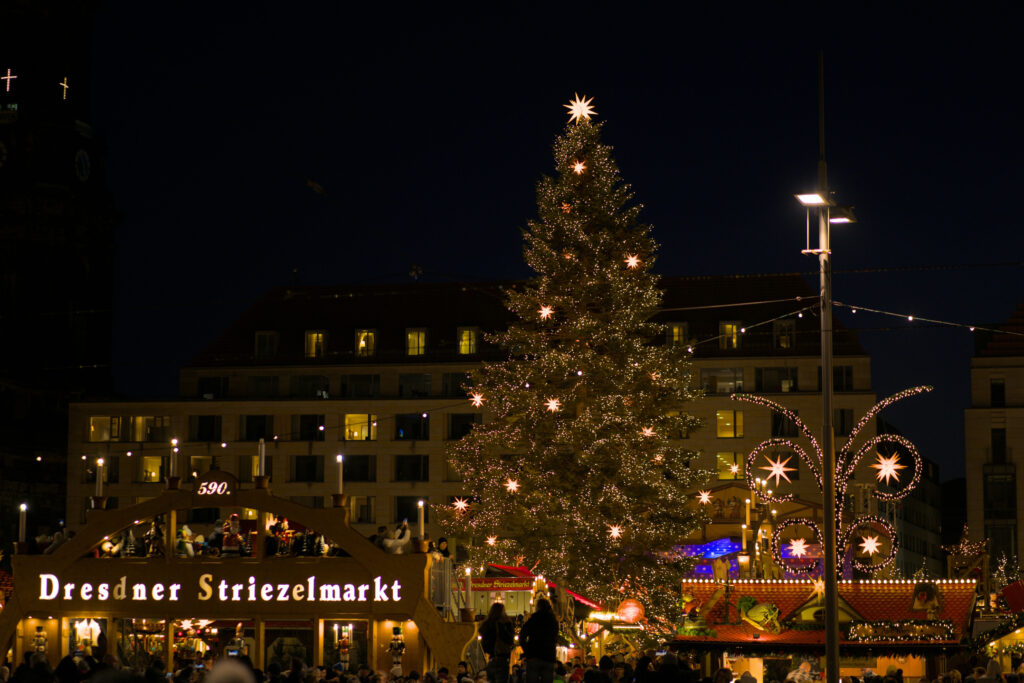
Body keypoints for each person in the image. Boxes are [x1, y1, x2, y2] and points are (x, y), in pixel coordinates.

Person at [520, 599, 559, 683]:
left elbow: (522, 637)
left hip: (534, 656)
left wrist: (528, 653)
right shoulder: (553, 621)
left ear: (537, 607)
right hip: (548, 657)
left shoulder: (533, 620)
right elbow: (555, 638)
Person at [480, 603, 515, 683]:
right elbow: (510, 640)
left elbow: (484, 644)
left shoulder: (487, 624)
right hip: (503, 658)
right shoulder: (506, 624)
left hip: (491, 658)